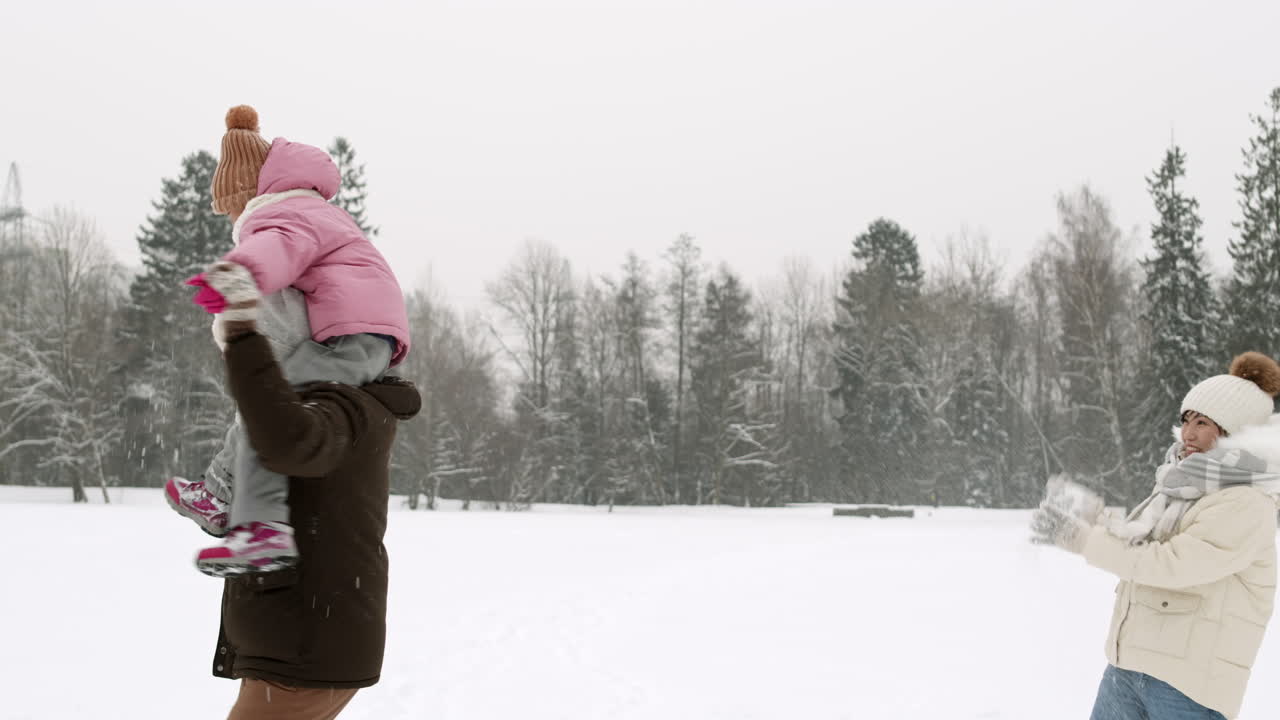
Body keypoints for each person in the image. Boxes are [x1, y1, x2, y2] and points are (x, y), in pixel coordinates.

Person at [164, 105, 411, 576]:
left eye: (233, 205)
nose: (234, 217)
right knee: (268, 396)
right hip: (359, 332)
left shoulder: (286, 213)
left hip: (352, 335)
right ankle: (221, 493)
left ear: (251, 191)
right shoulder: (314, 211)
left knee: (275, 404)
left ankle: (262, 528)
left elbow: (277, 248)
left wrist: (238, 275)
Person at [200, 260, 420, 718]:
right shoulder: (341, 403)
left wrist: (244, 336)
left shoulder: (343, 407)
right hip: (299, 643)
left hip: (303, 650)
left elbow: (284, 441)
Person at [1032, 351, 1280, 720]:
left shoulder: (1246, 502)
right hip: (1128, 669)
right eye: (1185, 420)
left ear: (1233, 432)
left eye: (1203, 422)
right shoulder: (1178, 486)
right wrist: (1090, 515)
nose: (1188, 433)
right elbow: (1140, 544)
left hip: (1189, 688)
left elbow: (1168, 565)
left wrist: (1081, 539)